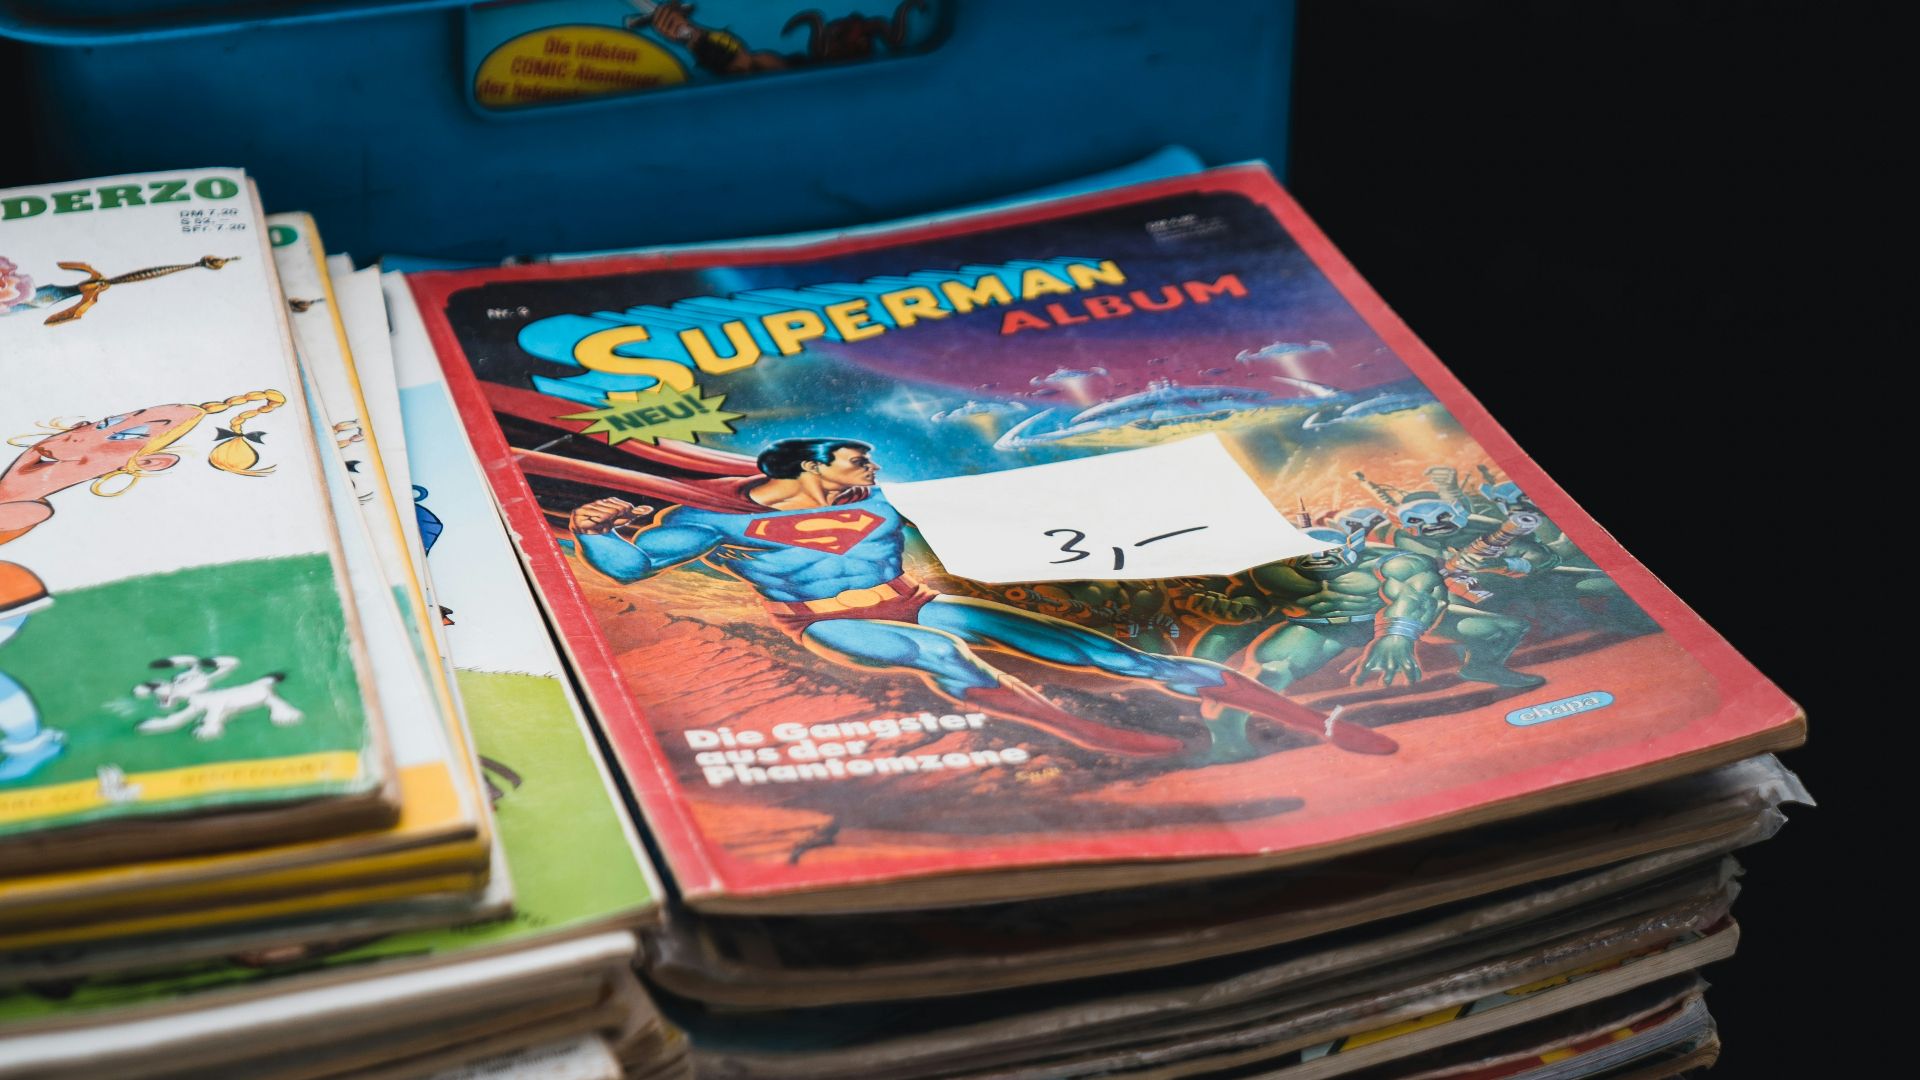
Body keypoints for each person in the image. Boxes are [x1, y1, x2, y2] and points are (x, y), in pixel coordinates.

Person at [570, 436, 1398, 758]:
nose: (872, 471)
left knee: (1111, 654)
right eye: (856, 462)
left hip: (914, 595)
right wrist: (595, 524)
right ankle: (1080, 728)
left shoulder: (886, 502)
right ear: (809, 466)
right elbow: (629, 571)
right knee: (941, 655)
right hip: (836, 626)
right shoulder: (706, 521)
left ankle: (1312, 721)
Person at [0, 391, 283, 781]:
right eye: (99, 425)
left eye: (118, 438)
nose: (74, 439)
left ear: (149, 462)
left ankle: (31, 745)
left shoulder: (25, 507)